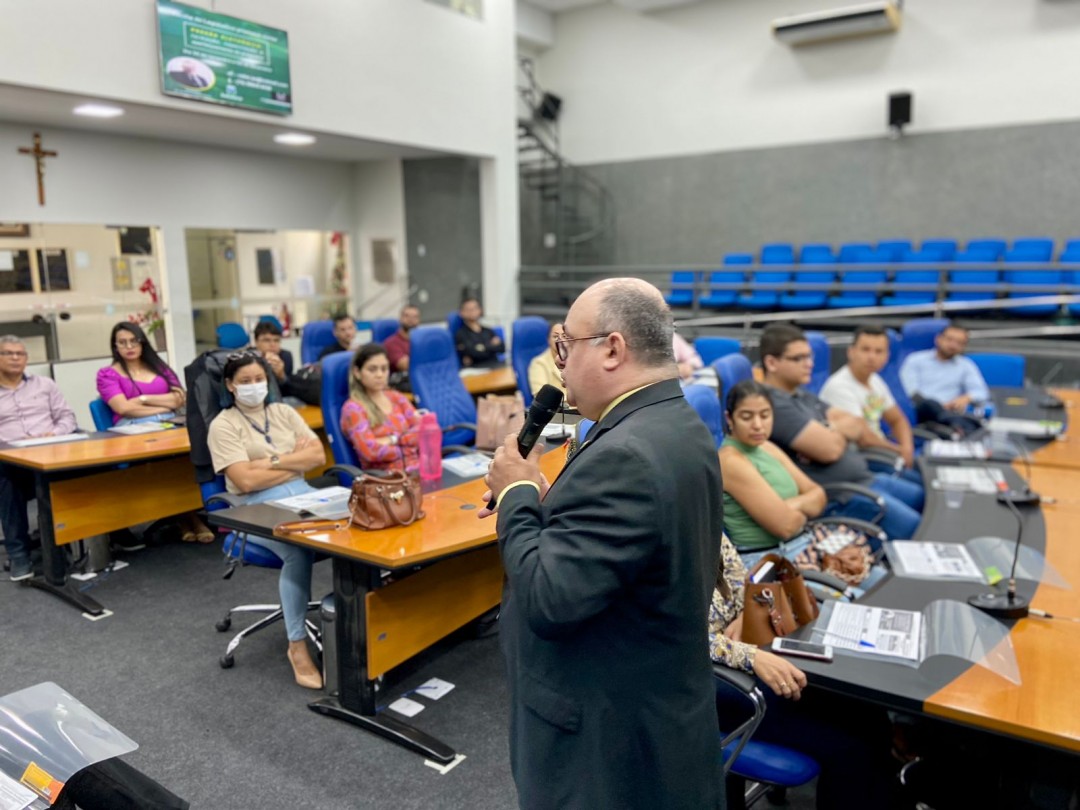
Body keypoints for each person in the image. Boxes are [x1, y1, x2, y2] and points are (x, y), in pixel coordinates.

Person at [483, 278, 723, 809]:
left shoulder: (626, 453)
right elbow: (622, 547)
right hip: (654, 706)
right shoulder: (674, 421)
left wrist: (518, 494)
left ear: (613, 348)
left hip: (606, 738)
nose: (560, 366)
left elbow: (550, 599)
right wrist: (548, 504)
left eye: (567, 346)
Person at [709, 533, 897, 810]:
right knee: (851, 746)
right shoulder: (657, 531)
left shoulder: (704, 512)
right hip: (706, 676)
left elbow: (736, 578)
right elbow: (660, 639)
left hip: (744, 650)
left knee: (871, 715)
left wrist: (744, 614)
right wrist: (749, 656)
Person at [207, 352, 327, 688]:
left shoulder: (284, 411)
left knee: (356, 528)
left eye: (259, 379)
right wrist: (291, 460)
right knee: (297, 550)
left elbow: (317, 456)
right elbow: (244, 482)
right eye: (244, 382)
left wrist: (265, 463)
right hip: (252, 509)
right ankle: (297, 646)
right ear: (230, 386)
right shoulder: (223, 425)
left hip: (304, 495)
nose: (253, 386)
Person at [760, 323, 923, 541]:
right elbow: (830, 450)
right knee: (917, 527)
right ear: (771, 362)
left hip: (863, 480)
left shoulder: (801, 395)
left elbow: (855, 423)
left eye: (809, 357)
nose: (809, 364)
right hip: (840, 497)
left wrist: (826, 431)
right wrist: (833, 432)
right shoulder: (772, 404)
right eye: (798, 358)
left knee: (925, 498)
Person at [96, 322, 213, 544]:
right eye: (122, 342)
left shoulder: (160, 367)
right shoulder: (108, 374)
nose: (129, 346)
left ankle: (186, 514)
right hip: (133, 428)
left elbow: (181, 397)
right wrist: (165, 406)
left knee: (196, 450)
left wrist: (143, 398)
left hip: (171, 422)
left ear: (142, 343)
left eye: (134, 341)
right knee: (166, 459)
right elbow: (123, 408)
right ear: (115, 346)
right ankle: (189, 518)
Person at [0, 335, 76, 580]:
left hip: (50, 453)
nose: (15, 358)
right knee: (6, 482)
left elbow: (67, 417)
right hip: (11, 461)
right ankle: (19, 552)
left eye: (20, 354)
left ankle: (86, 536)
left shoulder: (45, 385)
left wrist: (54, 432)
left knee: (86, 470)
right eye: (8, 353)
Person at [720, 380, 826, 553]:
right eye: (746, 417)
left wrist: (791, 506)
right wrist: (803, 508)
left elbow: (819, 496)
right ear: (729, 419)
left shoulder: (766, 446)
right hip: (768, 560)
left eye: (765, 415)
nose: (758, 425)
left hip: (801, 545)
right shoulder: (730, 461)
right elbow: (786, 527)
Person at [820, 325, 917, 469]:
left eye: (879, 351)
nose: (872, 357)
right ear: (851, 352)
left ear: (887, 357)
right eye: (865, 350)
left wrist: (907, 448)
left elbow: (897, 419)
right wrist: (899, 451)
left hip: (882, 453)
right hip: (859, 458)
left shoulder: (875, 380)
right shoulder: (839, 386)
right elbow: (864, 439)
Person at [340, 343, 421, 472]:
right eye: (372, 369)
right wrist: (406, 442)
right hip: (386, 480)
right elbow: (371, 452)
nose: (379, 375)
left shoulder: (396, 397)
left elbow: (423, 430)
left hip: (418, 469)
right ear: (357, 372)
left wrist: (390, 440)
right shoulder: (353, 409)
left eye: (384, 369)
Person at [899, 322, 990, 429]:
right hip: (920, 411)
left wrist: (966, 398)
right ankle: (958, 428)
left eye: (959, 343)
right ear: (938, 339)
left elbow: (982, 392)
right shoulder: (915, 360)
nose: (953, 345)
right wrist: (939, 407)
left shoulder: (966, 365)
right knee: (930, 405)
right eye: (949, 340)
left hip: (950, 411)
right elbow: (910, 392)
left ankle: (956, 427)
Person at [454, 297, 502, 368]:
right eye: (468, 309)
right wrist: (491, 346)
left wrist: (481, 347)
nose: (472, 311)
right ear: (462, 313)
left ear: (480, 310)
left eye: (475, 308)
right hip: (475, 370)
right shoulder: (461, 334)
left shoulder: (488, 330)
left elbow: (502, 348)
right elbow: (474, 353)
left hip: (495, 367)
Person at [526, 321, 565, 397]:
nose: (560, 340)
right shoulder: (538, 363)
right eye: (555, 336)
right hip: (558, 408)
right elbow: (542, 397)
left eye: (564, 336)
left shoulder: (575, 360)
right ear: (548, 340)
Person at [382, 304, 421, 374]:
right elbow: (405, 366)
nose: (411, 320)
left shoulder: (421, 341)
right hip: (401, 381)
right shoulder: (391, 343)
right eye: (407, 316)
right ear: (400, 319)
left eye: (415, 317)